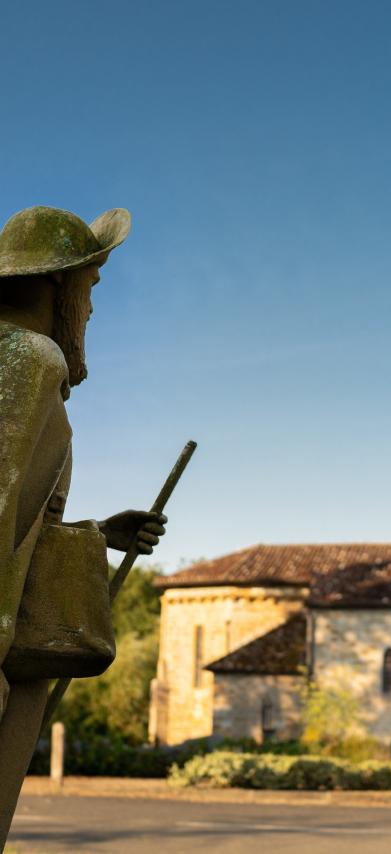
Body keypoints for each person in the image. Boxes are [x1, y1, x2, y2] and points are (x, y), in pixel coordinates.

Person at [0, 206, 166, 842]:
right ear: (58, 283)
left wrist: (97, 535)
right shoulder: (31, 358)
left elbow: (20, 522)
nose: (91, 309)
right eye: (90, 288)